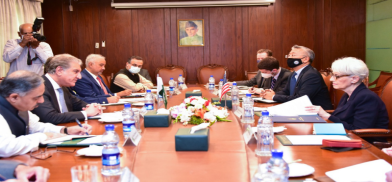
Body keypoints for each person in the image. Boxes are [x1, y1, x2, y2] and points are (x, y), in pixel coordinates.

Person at [0, 70, 92, 157]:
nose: (41, 101)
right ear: (14, 97)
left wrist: (65, 130)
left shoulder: (19, 104)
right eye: (36, 97)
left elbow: (35, 127)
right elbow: (6, 147)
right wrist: (42, 137)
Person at [305, 57, 389, 142]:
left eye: (337, 76)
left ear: (354, 79)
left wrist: (328, 116)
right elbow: (342, 118)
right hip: (345, 136)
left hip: (366, 145)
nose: (331, 79)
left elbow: (358, 131)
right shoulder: (348, 94)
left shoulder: (367, 97)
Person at [31, 54, 101, 124]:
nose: (79, 77)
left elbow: (78, 103)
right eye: (75, 72)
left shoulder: (63, 86)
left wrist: (94, 107)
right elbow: (49, 117)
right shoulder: (38, 87)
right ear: (59, 71)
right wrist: (85, 113)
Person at [263, 45, 333, 109]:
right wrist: (271, 94)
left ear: (305, 59)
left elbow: (301, 99)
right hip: (299, 109)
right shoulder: (293, 74)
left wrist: (274, 97)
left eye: (293, 55)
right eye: (289, 55)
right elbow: (286, 91)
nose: (289, 58)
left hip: (316, 113)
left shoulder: (311, 75)